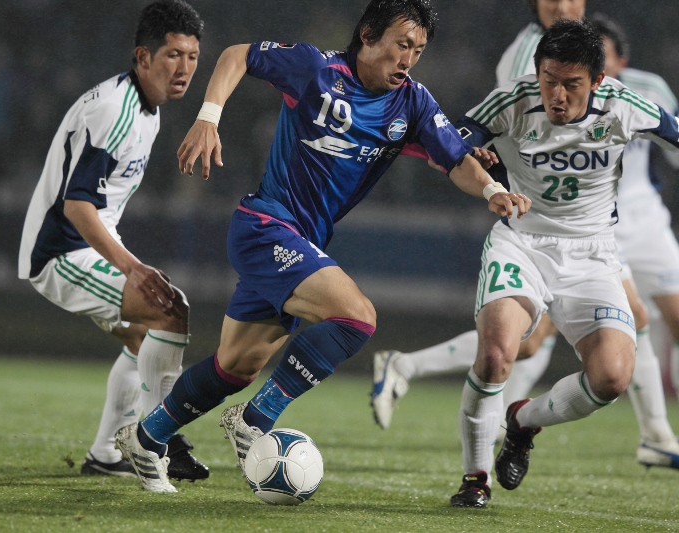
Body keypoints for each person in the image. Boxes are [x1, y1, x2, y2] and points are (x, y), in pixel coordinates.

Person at [112, 0, 532, 493]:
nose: (409, 59)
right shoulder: (316, 68)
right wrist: (209, 117)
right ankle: (254, 420)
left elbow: (457, 159)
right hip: (266, 225)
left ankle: (146, 437)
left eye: (418, 50)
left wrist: (492, 190)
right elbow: (237, 54)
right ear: (368, 35)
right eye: (402, 45)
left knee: (235, 367)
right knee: (357, 318)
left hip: (301, 240)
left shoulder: (413, 102)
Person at [372, 8, 679, 471]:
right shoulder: (514, 94)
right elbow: (451, 144)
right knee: (500, 351)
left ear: (599, 79)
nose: (556, 95)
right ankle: (475, 476)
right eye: (548, 80)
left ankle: (522, 419)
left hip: (596, 250)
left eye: (571, 84)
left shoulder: (628, 103)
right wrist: (468, 155)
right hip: (526, 242)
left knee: (610, 375)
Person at [17, 0, 208, 487]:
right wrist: (131, 267)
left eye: (192, 56)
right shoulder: (114, 110)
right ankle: (158, 444)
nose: (184, 68)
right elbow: (77, 207)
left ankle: (106, 453)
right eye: (173, 55)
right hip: (61, 252)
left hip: (82, 245)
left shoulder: (145, 107)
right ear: (143, 56)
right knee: (170, 311)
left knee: (145, 338)